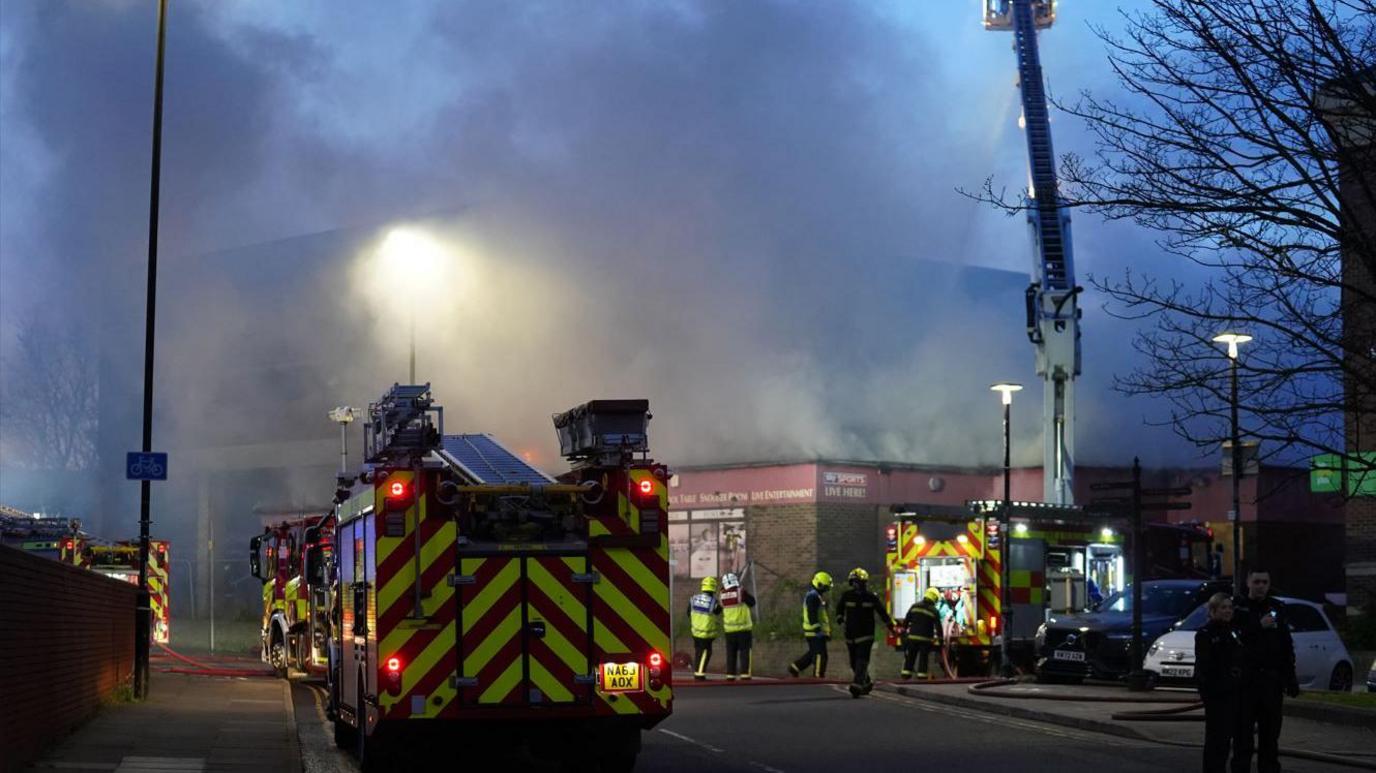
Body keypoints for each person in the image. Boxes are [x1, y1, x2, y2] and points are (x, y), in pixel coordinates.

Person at [1231, 568, 1298, 773]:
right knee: (1243, 734)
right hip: (1246, 681)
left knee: (1270, 734)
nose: (1261, 586)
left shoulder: (1276, 607)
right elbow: (1233, 639)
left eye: (1265, 582)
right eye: (1257, 582)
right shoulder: (1238, 607)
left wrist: (1290, 678)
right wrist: (1257, 626)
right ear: (1249, 583)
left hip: (1271, 681)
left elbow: (1285, 644)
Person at [1195, 592, 1245, 773]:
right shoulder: (1206, 633)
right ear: (1213, 610)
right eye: (1223, 607)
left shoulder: (1233, 631)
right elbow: (1205, 667)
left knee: (1228, 741)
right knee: (1217, 740)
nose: (1227, 611)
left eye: (1230, 607)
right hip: (1218, 695)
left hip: (1235, 693)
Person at [834, 567, 897, 697]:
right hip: (851, 635)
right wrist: (840, 619)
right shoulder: (847, 596)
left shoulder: (871, 597)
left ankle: (857, 686)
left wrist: (891, 627)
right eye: (854, 582)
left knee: (861, 660)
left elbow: (882, 612)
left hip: (866, 635)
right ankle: (866, 683)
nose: (857, 585)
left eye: (859, 582)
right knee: (853, 662)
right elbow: (839, 609)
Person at [788, 571, 832, 678]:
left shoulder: (816, 595)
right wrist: (818, 630)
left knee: (813, 653)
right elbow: (812, 614)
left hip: (814, 631)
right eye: (825, 587)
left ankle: (795, 667)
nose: (827, 590)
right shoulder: (813, 596)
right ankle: (818, 675)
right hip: (814, 632)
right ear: (820, 585)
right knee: (820, 655)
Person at [718, 572, 756, 680]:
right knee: (745, 652)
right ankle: (745, 674)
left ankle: (730, 675)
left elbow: (719, 609)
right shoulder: (741, 592)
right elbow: (752, 602)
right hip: (743, 629)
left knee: (731, 653)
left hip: (729, 630)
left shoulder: (722, 595)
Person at [901, 587, 944, 680]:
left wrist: (903, 632)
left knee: (910, 657)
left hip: (912, 638)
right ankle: (921, 675)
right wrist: (941, 641)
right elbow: (938, 627)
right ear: (934, 598)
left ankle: (906, 674)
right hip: (925, 640)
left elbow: (906, 620)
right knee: (923, 658)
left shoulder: (914, 606)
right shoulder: (934, 611)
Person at [688, 576, 722, 680]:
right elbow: (718, 611)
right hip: (706, 633)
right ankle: (699, 674)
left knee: (698, 652)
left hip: (695, 632)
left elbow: (688, 613)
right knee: (706, 652)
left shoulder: (693, 599)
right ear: (713, 588)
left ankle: (697, 671)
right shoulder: (713, 602)